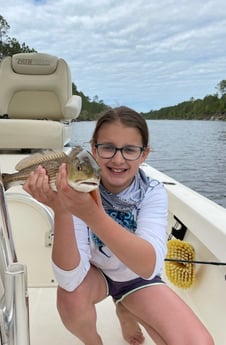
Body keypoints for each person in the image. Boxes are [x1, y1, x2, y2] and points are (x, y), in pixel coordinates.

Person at [23, 106, 214, 345]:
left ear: (144, 154)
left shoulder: (152, 192)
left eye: (130, 150)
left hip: (136, 276)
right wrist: (62, 211)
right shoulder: (75, 187)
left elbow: (148, 267)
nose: (118, 159)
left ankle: (125, 307)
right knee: (70, 300)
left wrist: (94, 216)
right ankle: (94, 342)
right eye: (108, 147)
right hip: (95, 275)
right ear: (93, 149)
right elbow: (70, 280)